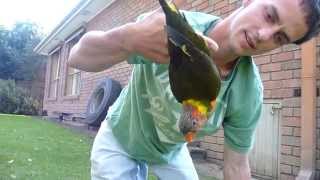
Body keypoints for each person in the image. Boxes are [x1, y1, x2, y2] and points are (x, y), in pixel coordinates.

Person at [68, 0, 320, 179]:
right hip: (120, 137)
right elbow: (77, 57)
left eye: (280, 38)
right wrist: (127, 38)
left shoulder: (247, 91)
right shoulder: (169, 29)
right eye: (269, 15)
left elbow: (236, 166)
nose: (265, 35)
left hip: (170, 151)